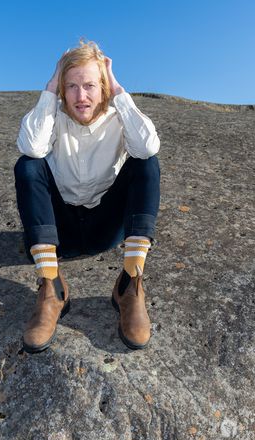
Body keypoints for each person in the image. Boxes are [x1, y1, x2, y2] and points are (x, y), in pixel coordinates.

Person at [14, 40, 160, 353]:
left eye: (90, 85)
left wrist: (119, 93)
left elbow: (147, 147)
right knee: (28, 165)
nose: (81, 96)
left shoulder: (117, 117)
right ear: (61, 90)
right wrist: (50, 90)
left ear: (104, 86)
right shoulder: (53, 116)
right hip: (60, 230)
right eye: (72, 86)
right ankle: (51, 287)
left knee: (146, 163)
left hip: (103, 227)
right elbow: (32, 148)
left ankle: (130, 286)